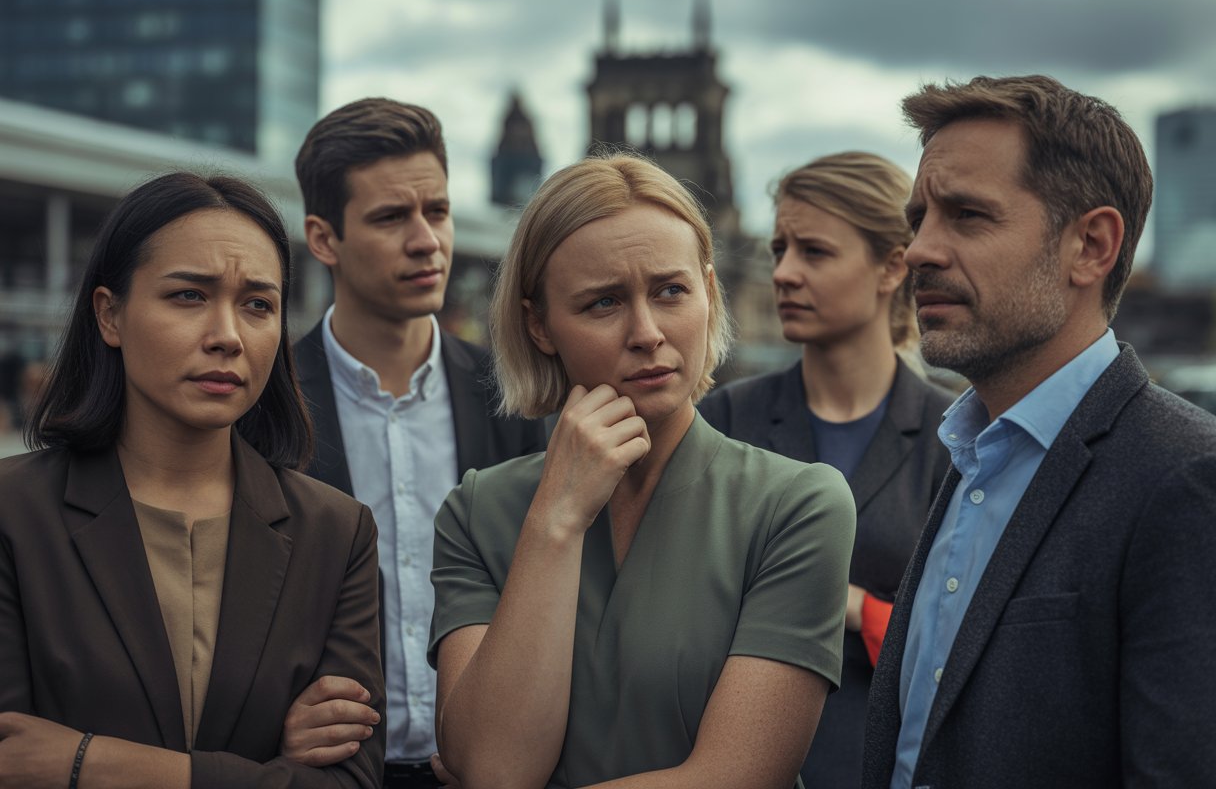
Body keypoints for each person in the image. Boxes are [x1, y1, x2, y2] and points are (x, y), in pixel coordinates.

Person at [428, 154, 857, 789]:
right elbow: (497, 766)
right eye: (603, 303)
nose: (647, 332)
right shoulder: (477, 511)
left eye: (670, 291)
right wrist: (557, 520)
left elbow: (735, 775)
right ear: (539, 325)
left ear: (710, 293)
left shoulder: (798, 505)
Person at [862, 75, 1216, 788]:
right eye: (919, 217)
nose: (920, 251)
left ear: (1091, 245)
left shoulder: (1183, 479)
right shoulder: (969, 455)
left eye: (966, 216)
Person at [0, 173, 385, 788]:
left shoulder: (336, 533)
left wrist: (88, 762)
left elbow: (349, 783)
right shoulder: (15, 513)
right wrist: (268, 769)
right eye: (188, 296)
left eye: (258, 305)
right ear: (109, 315)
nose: (228, 337)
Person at [289, 97, 547, 788]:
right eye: (390, 217)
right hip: (329, 773)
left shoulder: (516, 396)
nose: (426, 239)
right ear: (323, 238)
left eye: (436, 210)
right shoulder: (267, 403)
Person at [698, 152, 953, 789]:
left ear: (893, 265)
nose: (783, 272)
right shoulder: (723, 420)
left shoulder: (958, 440)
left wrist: (858, 608)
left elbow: (979, 648)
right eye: (779, 248)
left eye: (814, 252)